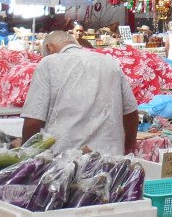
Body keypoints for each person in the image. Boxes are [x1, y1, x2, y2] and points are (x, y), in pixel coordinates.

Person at [19, 20, 139, 155]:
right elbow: (131, 115)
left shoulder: (48, 63)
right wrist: (128, 147)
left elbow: (33, 120)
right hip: (111, 160)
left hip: (65, 161)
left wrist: (24, 155)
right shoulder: (109, 62)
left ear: (50, 48)